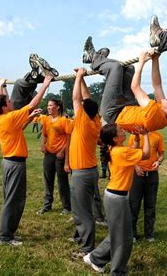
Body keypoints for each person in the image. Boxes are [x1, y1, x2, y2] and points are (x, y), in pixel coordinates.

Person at [0, 69, 53, 246]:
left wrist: (1, 87)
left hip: (8, 162)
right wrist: (45, 84)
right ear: (4, 107)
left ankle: (8, 233)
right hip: (15, 164)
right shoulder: (9, 118)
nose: (11, 103)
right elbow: (32, 103)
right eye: (8, 101)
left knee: (10, 198)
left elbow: (19, 128)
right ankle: (4, 236)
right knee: (13, 200)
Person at [83, 123, 150, 275]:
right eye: (120, 130)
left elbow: (134, 151)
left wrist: (138, 137)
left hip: (116, 196)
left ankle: (95, 258)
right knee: (124, 239)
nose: (123, 131)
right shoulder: (121, 152)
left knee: (118, 234)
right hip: (117, 198)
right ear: (115, 138)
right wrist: (146, 134)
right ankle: (118, 271)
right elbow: (145, 154)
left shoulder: (116, 149)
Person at [82, 37, 167, 131]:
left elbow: (135, 87)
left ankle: (93, 57)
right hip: (128, 105)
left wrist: (141, 62)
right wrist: (155, 60)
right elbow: (157, 85)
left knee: (115, 68)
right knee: (129, 68)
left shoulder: (154, 113)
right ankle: (100, 59)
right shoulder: (164, 116)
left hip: (114, 112)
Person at [69, 67, 102, 259]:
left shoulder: (83, 122)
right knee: (81, 207)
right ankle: (80, 237)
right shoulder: (95, 121)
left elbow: (76, 99)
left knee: (83, 211)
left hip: (82, 172)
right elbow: (86, 98)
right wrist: (82, 80)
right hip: (88, 170)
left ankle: (87, 248)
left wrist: (78, 76)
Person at [37, 99, 72, 216]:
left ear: (57, 107)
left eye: (51, 105)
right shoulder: (46, 120)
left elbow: (69, 139)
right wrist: (43, 145)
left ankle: (66, 207)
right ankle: (47, 205)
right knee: (48, 180)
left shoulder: (64, 121)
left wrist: (62, 151)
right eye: (48, 105)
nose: (48, 107)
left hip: (60, 156)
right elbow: (44, 135)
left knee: (62, 182)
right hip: (49, 154)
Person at [128, 130, 165, 242]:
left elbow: (162, 154)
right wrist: (135, 166)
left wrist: (158, 162)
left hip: (152, 175)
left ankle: (149, 234)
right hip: (137, 174)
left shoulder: (158, 136)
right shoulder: (134, 136)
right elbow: (130, 154)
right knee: (134, 205)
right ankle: (132, 234)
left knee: (150, 205)